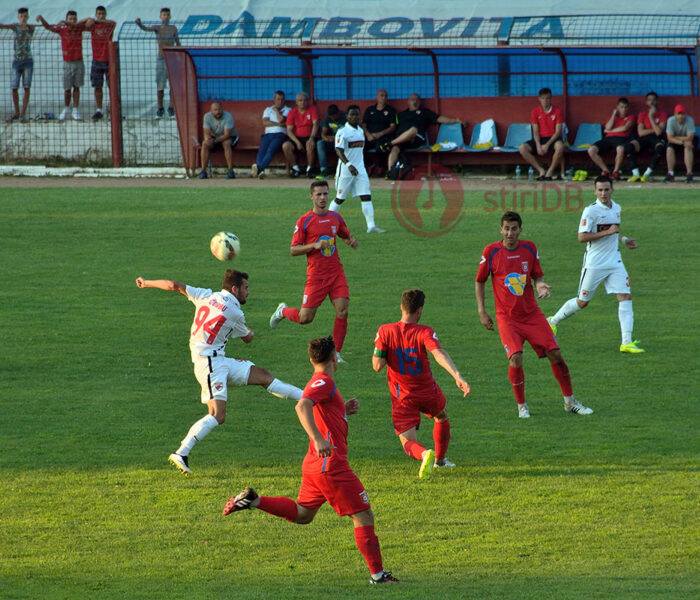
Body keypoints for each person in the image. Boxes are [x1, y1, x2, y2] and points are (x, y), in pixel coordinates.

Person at [222, 336, 399, 586]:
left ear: (311, 359)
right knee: (364, 516)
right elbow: (302, 406)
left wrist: (343, 410)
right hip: (331, 465)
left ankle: (254, 500)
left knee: (303, 514)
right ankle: (378, 576)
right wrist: (316, 438)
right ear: (333, 358)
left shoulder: (322, 383)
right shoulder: (323, 381)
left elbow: (319, 409)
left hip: (316, 464)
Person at [135, 269, 303, 476]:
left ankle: (309, 399)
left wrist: (147, 281)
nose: (248, 292)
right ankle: (181, 452)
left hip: (218, 360)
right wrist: (249, 331)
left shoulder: (207, 295)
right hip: (209, 364)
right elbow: (247, 338)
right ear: (235, 289)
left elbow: (174, 285)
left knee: (263, 376)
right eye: (246, 288)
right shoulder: (234, 312)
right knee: (217, 414)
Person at [475, 211, 593, 419]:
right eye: (506, 228)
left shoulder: (529, 248)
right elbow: (480, 280)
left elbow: (537, 275)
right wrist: (482, 311)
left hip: (532, 315)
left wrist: (540, 286)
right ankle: (522, 405)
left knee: (556, 354)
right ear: (500, 229)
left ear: (520, 229)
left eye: (514, 229)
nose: (510, 233)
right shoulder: (491, 251)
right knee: (516, 358)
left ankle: (570, 402)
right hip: (507, 318)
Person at [372, 289, 470, 479]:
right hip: (427, 391)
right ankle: (440, 460)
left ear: (401, 307)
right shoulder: (425, 332)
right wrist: (457, 375)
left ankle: (425, 454)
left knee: (408, 443)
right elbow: (438, 353)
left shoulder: (385, 331)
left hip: (402, 396)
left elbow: (377, 366)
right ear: (419, 311)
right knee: (441, 416)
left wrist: (384, 351)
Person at [547, 175, 644, 353]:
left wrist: (624, 240)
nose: (603, 193)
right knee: (582, 302)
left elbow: (614, 232)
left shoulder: (616, 208)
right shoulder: (590, 211)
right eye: (600, 190)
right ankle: (552, 322)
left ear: (612, 190)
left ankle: (626, 342)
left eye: (606, 189)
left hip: (615, 261)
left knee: (625, 296)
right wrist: (608, 232)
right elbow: (582, 237)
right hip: (595, 263)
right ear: (594, 191)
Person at [269, 180, 358, 362]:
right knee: (305, 318)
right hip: (316, 278)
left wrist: (350, 240)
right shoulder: (305, 221)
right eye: (318, 194)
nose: (323, 198)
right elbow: (294, 249)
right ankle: (283, 311)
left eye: (325, 193)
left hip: (336, 274)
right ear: (311, 196)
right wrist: (315, 245)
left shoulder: (336, 217)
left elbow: (343, 233)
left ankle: (336, 353)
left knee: (343, 310)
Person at [328, 105, 386, 234]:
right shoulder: (342, 132)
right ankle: (326, 222)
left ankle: (371, 226)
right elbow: (338, 150)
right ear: (347, 116)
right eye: (352, 114)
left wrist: (357, 165)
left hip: (360, 169)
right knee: (340, 198)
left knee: (366, 196)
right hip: (345, 170)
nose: (354, 117)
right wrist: (348, 164)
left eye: (356, 114)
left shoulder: (360, 131)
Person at [379, 93, 463, 172]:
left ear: (420, 102)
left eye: (417, 100)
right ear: (408, 102)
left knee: (413, 129)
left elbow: (440, 119)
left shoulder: (425, 112)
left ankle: (390, 144)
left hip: (417, 139)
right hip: (402, 140)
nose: (415, 101)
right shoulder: (401, 115)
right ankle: (390, 172)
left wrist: (456, 120)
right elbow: (392, 126)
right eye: (412, 100)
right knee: (395, 149)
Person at [37, 11, 88, 121]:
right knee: (67, 88)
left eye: (74, 18)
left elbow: (88, 20)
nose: (72, 21)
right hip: (67, 62)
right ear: (66, 19)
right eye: (70, 19)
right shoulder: (63, 30)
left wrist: (69, 22)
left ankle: (75, 109)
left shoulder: (78, 28)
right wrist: (41, 18)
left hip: (78, 61)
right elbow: (48, 27)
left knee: (77, 87)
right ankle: (66, 108)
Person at [135, 8, 180, 119]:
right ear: (160, 17)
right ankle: (160, 108)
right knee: (160, 84)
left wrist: (179, 56)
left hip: (172, 58)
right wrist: (139, 24)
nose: (166, 16)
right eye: (164, 14)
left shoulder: (173, 28)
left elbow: (178, 43)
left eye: (168, 15)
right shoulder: (157, 28)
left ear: (170, 17)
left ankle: (171, 108)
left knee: (173, 85)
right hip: (161, 58)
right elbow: (146, 29)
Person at [73, 6, 116, 121]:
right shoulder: (94, 26)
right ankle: (99, 109)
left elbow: (114, 23)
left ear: (105, 14)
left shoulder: (109, 25)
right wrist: (88, 19)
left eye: (103, 13)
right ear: (96, 14)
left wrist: (98, 20)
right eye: (99, 14)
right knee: (97, 86)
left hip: (108, 60)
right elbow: (79, 25)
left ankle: (114, 108)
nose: (101, 16)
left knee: (112, 86)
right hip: (96, 60)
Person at [518, 88, 565, 181]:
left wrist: (547, 145)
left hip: (553, 138)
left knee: (560, 146)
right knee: (522, 148)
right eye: (543, 98)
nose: (545, 101)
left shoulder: (557, 111)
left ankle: (550, 171)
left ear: (551, 99)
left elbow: (558, 131)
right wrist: (538, 145)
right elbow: (535, 131)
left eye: (547, 98)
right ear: (539, 99)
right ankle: (541, 170)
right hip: (540, 139)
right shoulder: (535, 111)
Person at [0, 7, 36, 122]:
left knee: (26, 87)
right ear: (18, 17)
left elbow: (32, 30)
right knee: (14, 87)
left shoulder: (31, 28)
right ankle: (16, 112)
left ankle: (23, 113)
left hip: (28, 61)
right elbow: (4, 26)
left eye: (25, 16)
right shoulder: (15, 26)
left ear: (28, 17)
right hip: (17, 61)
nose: (23, 18)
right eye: (21, 16)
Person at [587, 97, 636, 181]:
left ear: (628, 108)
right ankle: (606, 171)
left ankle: (615, 172)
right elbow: (607, 126)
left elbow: (625, 128)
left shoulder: (631, 117)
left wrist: (610, 130)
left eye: (625, 107)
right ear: (617, 107)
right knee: (591, 150)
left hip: (622, 139)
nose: (623, 109)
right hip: (608, 139)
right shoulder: (611, 117)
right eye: (621, 107)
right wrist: (614, 114)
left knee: (620, 149)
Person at [627, 91, 667, 182]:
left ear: (657, 101)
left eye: (653, 100)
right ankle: (635, 174)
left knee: (660, 148)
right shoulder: (642, 114)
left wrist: (651, 117)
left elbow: (659, 132)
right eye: (649, 100)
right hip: (644, 138)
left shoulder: (662, 114)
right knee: (630, 146)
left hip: (656, 138)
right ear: (646, 102)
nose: (651, 102)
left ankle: (646, 174)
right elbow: (640, 132)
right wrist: (654, 128)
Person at [251, 90, 290, 179]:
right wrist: (277, 124)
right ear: (274, 99)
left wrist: (276, 111)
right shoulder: (268, 109)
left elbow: (282, 121)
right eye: (278, 99)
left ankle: (259, 168)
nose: (279, 101)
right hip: (267, 134)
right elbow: (265, 122)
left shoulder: (288, 110)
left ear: (284, 100)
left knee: (271, 150)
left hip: (280, 134)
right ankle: (261, 171)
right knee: (262, 151)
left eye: (282, 99)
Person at [282, 92, 320, 178]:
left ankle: (310, 169)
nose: (302, 102)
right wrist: (297, 142)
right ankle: (295, 169)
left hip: (309, 137)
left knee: (310, 144)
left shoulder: (312, 109)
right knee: (286, 146)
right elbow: (289, 130)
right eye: (300, 101)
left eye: (304, 100)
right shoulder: (292, 112)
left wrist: (311, 138)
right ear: (296, 102)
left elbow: (315, 124)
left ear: (308, 101)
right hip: (297, 138)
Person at [198, 101, 239, 180]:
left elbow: (227, 135)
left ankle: (230, 171)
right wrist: (208, 139)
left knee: (226, 143)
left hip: (231, 136)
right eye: (215, 110)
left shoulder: (228, 116)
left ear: (222, 109)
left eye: (219, 109)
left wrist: (214, 141)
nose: (218, 112)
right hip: (216, 136)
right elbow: (206, 132)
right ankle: (203, 171)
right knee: (204, 143)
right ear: (211, 111)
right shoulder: (207, 116)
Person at [361, 89, 397, 175]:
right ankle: (370, 164)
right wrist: (368, 135)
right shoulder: (369, 110)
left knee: (381, 148)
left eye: (385, 96)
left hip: (384, 137)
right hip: (370, 137)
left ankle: (381, 167)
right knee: (358, 146)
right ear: (377, 97)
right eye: (381, 95)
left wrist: (380, 134)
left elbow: (393, 127)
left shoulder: (391, 110)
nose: (383, 98)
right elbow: (364, 125)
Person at [664, 104, 696, 183]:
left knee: (688, 146)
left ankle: (689, 173)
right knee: (669, 148)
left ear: (685, 114)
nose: (681, 116)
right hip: (678, 142)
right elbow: (669, 138)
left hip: (686, 141)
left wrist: (675, 137)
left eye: (682, 114)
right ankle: (670, 173)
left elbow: (690, 137)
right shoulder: (671, 120)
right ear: (675, 114)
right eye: (679, 114)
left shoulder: (690, 120)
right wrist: (682, 142)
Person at [316, 104, 346, 178]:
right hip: (332, 141)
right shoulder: (327, 117)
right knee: (320, 143)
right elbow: (323, 134)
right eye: (331, 116)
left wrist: (337, 138)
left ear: (338, 113)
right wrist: (327, 138)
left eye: (334, 116)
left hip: (343, 141)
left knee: (342, 145)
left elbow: (348, 134)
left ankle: (341, 171)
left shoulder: (345, 116)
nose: (332, 118)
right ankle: (323, 170)